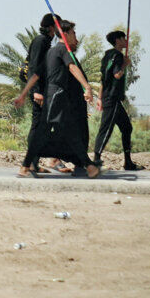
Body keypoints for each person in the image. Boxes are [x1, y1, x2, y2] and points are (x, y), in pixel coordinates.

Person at [22, 20, 99, 179]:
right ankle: (89, 166)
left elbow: (37, 74)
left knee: (51, 132)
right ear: (65, 35)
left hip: (54, 96)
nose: (75, 36)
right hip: (57, 95)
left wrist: (24, 94)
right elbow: (72, 67)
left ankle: (25, 167)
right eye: (73, 33)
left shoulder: (51, 51)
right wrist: (87, 87)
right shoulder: (63, 49)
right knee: (70, 132)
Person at [13, 14, 59, 176]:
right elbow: (34, 67)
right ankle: (31, 163)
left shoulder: (46, 42)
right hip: (38, 92)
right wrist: (36, 92)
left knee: (42, 126)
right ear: (52, 27)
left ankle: (34, 162)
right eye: (58, 26)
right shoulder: (41, 41)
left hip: (43, 90)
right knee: (37, 126)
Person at [94, 31, 139, 171]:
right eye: (123, 38)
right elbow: (116, 75)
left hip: (109, 98)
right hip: (112, 98)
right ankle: (95, 159)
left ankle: (128, 162)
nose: (126, 40)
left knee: (127, 127)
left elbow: (104, 79)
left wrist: (100, 98)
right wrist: (125, 65)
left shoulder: (107, 55)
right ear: (117, 40)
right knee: (106, 128)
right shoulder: (118, 56)